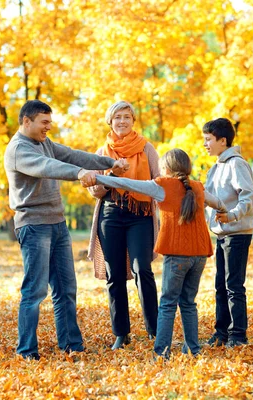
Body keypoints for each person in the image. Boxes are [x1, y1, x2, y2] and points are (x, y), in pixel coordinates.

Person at [4, 99, 129, 360]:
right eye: (44, 122)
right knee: (35, 291)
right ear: (26, 121)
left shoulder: (44, 142)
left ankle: (72, 345)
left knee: (66, 289)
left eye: (50, 121)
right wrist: (78, 173)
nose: (49, 127)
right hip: (34, 225)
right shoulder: (18, 149)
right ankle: (26, 351)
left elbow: (72, 155)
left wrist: (108, 162)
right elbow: (48, 167)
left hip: (57, 224)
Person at [84, 148, 227, 358]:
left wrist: (96, 177)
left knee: (168, 303)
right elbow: (218, 203)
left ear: (167, 168)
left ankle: (161, 352)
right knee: (188, 302)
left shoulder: (162, 186)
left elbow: (126, 184)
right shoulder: (197, 187)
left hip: (177, 254)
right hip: (199, 256)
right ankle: (193, 350)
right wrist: (225, 213)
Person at [86, 100, 160, 350]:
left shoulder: (146, 148)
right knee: (114, 275)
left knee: (142, 270)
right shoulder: (101, 152)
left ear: (133, 120)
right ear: (110, 121)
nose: (122, 121)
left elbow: (158, 182)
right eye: (117, 117)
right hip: (111, 215)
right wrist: (113, 176)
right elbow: (95, 191)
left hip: (140, 215)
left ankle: (154, 330)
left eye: (127, 117)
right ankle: (121, 333)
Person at [202, 118, 253, 348]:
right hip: (222, 233)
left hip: (237, 233)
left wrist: (232, 215)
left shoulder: (236, 163)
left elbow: (248, 196)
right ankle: (221, 333)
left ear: (223, 141)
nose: (205, 144)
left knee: (233, 285)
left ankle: (238, 336)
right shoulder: (216, 166)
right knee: (220, 286)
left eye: (208, 140)